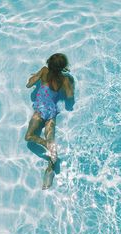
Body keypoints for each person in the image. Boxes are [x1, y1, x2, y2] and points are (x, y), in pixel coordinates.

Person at [25, 53, 74, 190]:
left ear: (48, 63)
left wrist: (36, 76)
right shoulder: (64, 79)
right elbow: (69, 98)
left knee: (28, 137)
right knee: (51, 138)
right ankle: (50, 169)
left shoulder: (44, 71)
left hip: (40, 110)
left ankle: (46, 144)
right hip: (51, 111)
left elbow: (29, 84)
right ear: (63, 68)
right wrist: (68, 82)